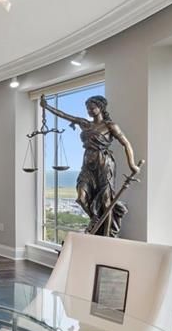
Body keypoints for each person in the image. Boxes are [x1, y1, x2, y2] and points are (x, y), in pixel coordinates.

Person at [39, 94, 140, 237]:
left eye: (92, 108)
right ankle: (95, 219)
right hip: (87, 164)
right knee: (81, 197)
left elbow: (126, 143)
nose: (89, 111)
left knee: (106, 202)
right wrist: (47, 106)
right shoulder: (85, 123)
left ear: (101, 108)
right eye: (87, 108)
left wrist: (132, 165)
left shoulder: (110, 126)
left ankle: (106, 236)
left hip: (104, 163)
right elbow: (64, 115)